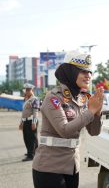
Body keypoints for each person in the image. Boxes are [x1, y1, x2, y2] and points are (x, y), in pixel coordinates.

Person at [32, 50, 104, 188]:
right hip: (49, 167)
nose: (88, 75)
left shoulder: (83, 98)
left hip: (71, 167)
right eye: (83, 71)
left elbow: (94, 132)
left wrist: (97, 113)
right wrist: (91, 111)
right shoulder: (53, 97)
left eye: (90, 72)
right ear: (70, 72)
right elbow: (64, 131)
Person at [19, 83, 39, 161]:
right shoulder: (26, 100)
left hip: (32, 121)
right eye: (26, 90)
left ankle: (31, 155)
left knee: (32, 138)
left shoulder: (35, 99)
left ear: (32, 90)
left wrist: (34, 122)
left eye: (28, 90)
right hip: (26, 121)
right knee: (27, 138)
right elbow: (23, 113)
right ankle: (34, 151)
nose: (26, 91)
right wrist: (21, 122)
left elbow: (35, 112)